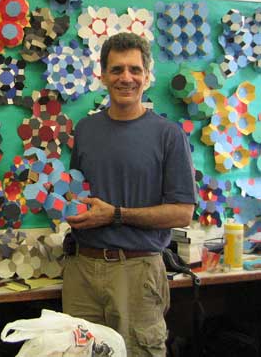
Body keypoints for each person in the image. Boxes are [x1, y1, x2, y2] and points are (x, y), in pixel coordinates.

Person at [63, 32, 196, 356]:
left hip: (136, 272)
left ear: (147, 77)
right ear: (103, 75)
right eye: (117, 69)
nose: (126, 78)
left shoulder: (168, 135)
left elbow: (183, 213)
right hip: (82, 270)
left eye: (135, 70)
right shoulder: (85, 130)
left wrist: (116, 214)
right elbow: (75, 192)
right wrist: (63, 204)